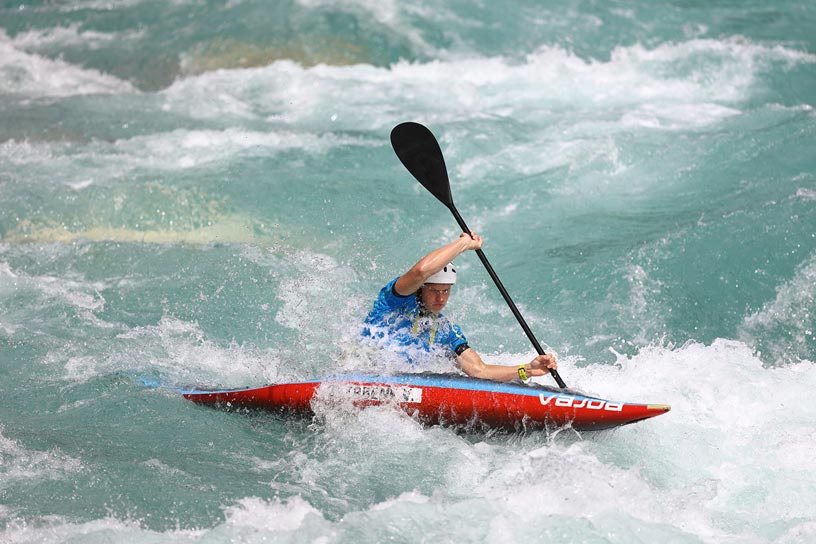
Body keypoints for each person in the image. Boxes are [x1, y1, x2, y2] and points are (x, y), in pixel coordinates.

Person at [362, 232, 557, 382]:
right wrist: (463, 243)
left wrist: (527, 370)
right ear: (421, 289)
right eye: (434, 291)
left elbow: (479, 370)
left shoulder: (445, 330)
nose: (441, 298)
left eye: (446, 291)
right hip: (363, 374)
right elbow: (420, 271)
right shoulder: (394, 300)